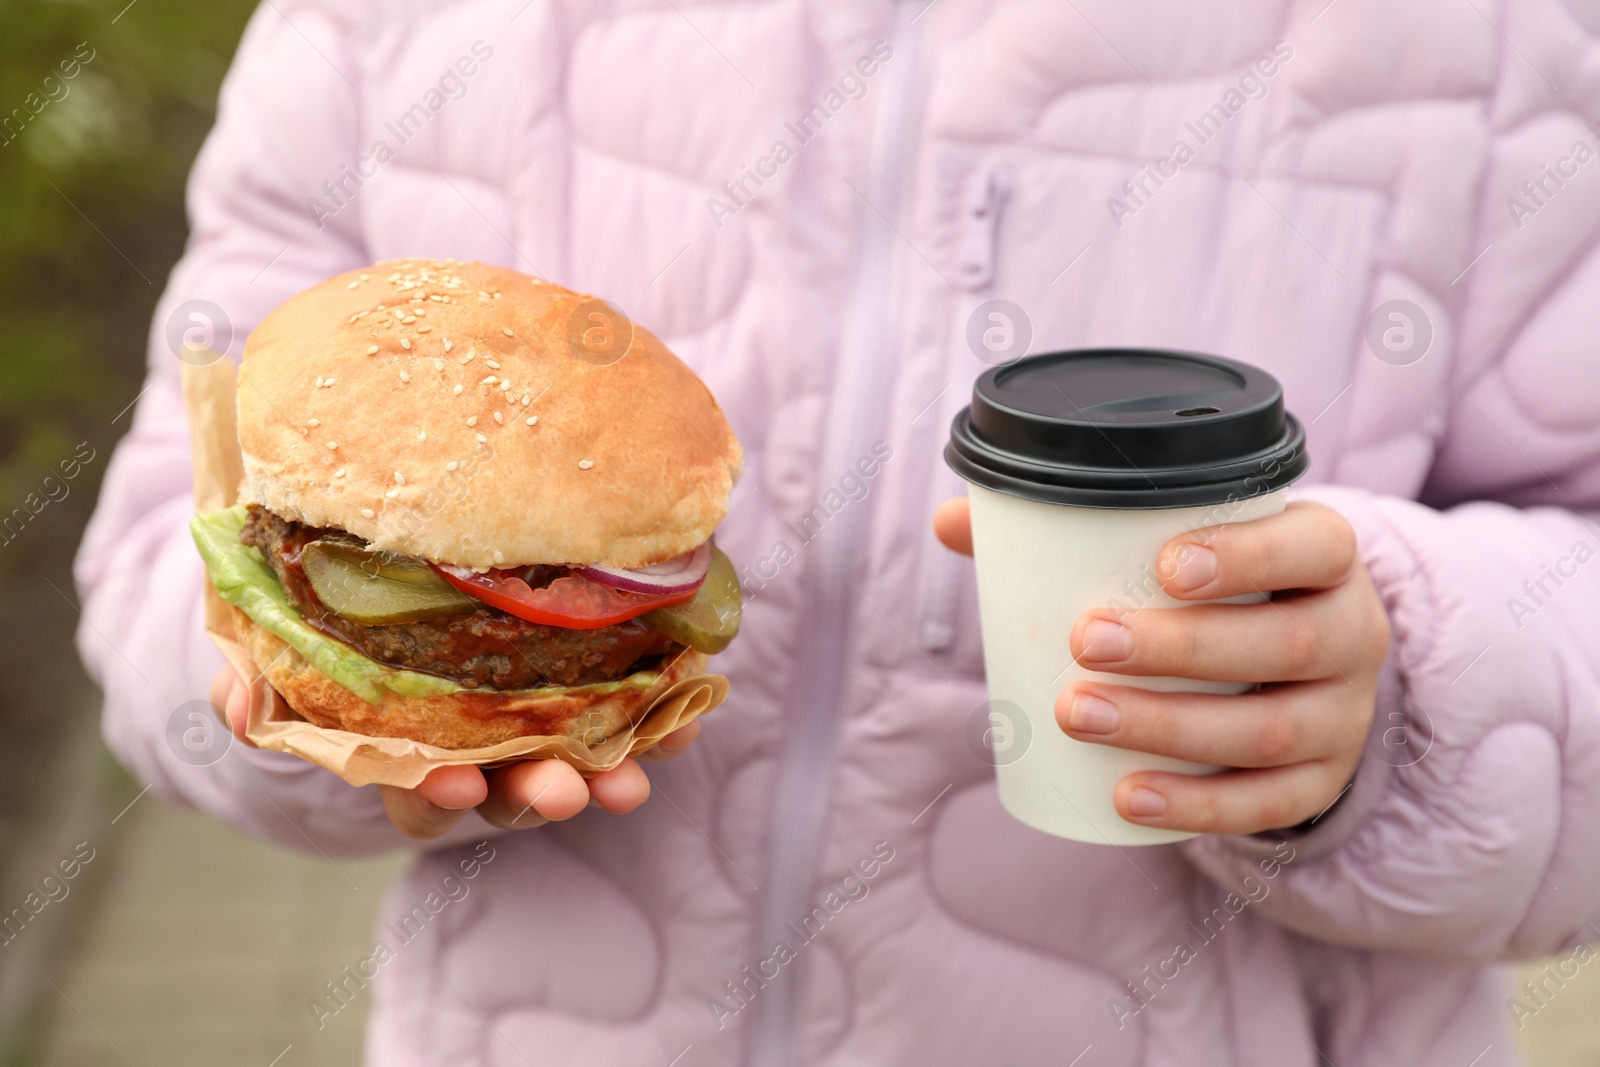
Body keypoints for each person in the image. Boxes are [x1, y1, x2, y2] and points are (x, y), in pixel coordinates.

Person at [75, 2, 1600, 1064]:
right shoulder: (392, 25)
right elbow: (170, 543)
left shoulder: (1485, 43)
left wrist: (1400, 704)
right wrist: (333, 709)